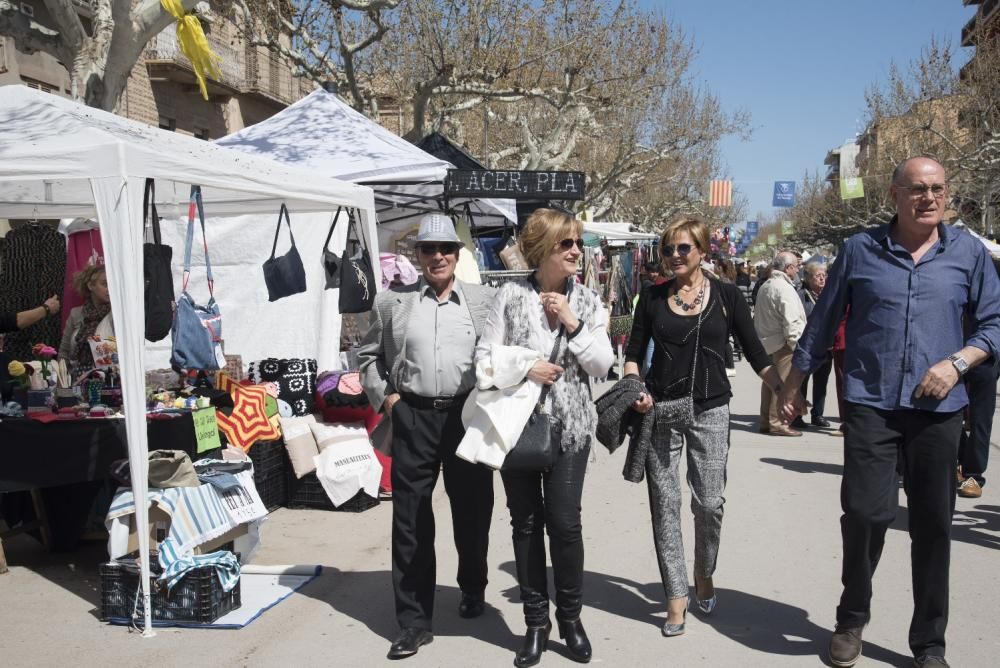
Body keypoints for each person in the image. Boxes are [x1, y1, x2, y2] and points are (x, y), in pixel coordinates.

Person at [780, 157, 1000, 668]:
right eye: (918, 189)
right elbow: (824, 319)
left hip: (939, 409)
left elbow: (993, 324)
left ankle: (929, 643)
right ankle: (851, 616)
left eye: (938, 188)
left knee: (933, 526)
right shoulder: (860, 250)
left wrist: (959, 362)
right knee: (864, 513)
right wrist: (794, 383)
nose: (929, 197)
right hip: (871, 403)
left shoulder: (968, 254)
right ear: (895, 196)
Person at [624, 215, 783, 638]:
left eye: (683, 249)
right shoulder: (653, 297)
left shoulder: (728, 296)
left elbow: (755, 352)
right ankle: (675, 597)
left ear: (702, 252)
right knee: (665, 505)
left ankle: (704, 572)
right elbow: (633, 352)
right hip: (660, 409)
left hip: (711, 409)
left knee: (709, 502)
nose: (674, 256)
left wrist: (784, 390)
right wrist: (634, 386)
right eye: (668, 249)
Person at [475, 208, 613, 667]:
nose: (576, 251)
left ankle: (570, 619)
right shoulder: (509, 296)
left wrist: (573, 323)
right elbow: (483, 360)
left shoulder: (589, 302)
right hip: (518, 426)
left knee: (565, 523)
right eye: (566, 243)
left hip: (572, 428)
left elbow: (601, 366)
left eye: (578, 243)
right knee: (526, 524)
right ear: (542, 249)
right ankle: (537, 622)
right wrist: (525, 366)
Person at [358, 213, 497, 661]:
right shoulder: (391, 303)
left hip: (466, 416)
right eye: (428, 249)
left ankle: (473, 586)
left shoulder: (484, 301)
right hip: (413, 417)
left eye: (446, 249)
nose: (437, 256)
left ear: (458, 255)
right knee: (411, 521)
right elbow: (367, 357)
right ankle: (414, 621)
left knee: (473, 513)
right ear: (415, 255)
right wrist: (389, 400)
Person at [753, 251, 806, 436]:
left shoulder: (766, 285)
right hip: (782, 344)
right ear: (788, 268)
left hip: (767, 342)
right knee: (782, 385)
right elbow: (792, 321)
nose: (798, 269)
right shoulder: (783, 288)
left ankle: (766, 421)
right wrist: (796, 345)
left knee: (770, 384)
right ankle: (778, 423)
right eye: (796, 266)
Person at [794, 261, 833, 429]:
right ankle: (798, 415)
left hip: (826, 345)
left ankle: (818, 414)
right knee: (802, 382)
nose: (822, 278)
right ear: (808, 278)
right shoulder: (801, 295)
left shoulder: (830, 294)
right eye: (818, 275)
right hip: (807, 346)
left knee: (821, 382)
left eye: (824, 275)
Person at [59, 264, 113, 369]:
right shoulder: (76, 314)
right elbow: (64, 353)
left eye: (112, 284)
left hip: (111, 379)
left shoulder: (117, 315)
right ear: (90, 286)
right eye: (105, 284)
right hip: (78, 378)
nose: (110, 289)